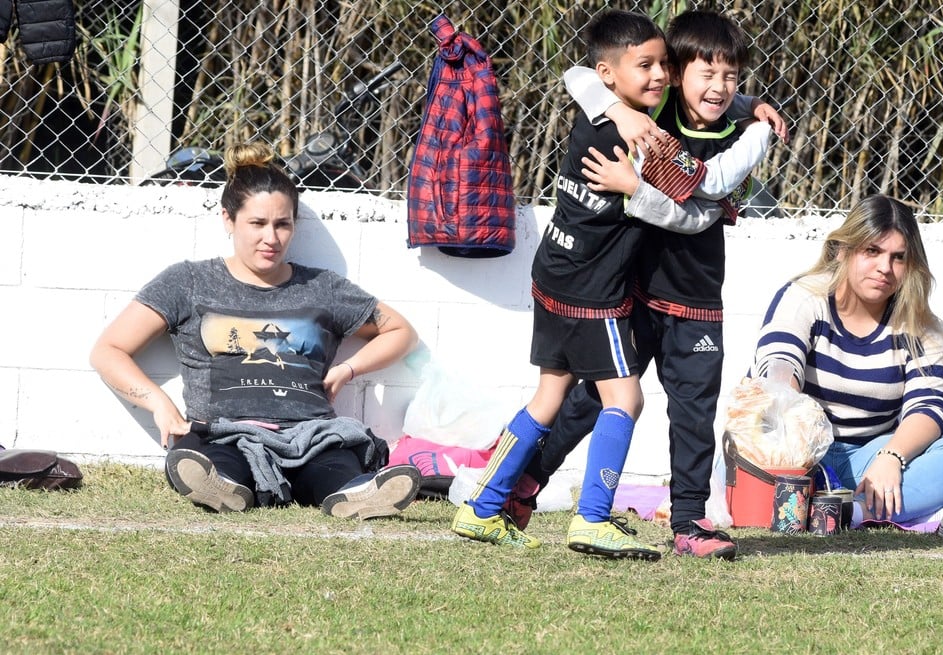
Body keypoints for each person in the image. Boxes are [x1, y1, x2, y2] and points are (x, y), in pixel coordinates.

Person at [503, 10, 785, 561]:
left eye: (731, 77)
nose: (720, 87)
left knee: (694, 411)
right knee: (589, 401)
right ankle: (523, 486)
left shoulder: (747, 136)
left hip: (696, 299)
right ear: (676, 75)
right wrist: (613, 108)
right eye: (705, 74)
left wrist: (637, 188)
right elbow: (581, 75)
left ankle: (688, 522)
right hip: (627, 293)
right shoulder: (651, 108)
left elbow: (703, 209)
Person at [450, 9, 731, 560]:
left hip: (551, 275)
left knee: (549, 396)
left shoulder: (597, 113)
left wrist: (615, 105)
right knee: (624, 399)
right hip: (593, 293)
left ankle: (482, 507)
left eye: (663, 66)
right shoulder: (641, 139)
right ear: (609, 73)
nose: (659, 77)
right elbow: (697, 201)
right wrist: (718, 192)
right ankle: (593, 518)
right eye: (644, 66)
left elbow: (576, 75)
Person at [89, 142, 422, 519]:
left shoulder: (323, 288)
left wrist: (346, 370)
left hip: (309, 434)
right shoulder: (188, 282)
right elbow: (109, 349)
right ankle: (221, 488)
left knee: (335, 463)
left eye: (283, 224)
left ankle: (356, 494)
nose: (272, 238)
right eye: (257, 224)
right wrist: (159, 404)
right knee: (215, 461)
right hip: (223, 432)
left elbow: (400, 332)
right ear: (228, 219)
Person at [750, 195, 943, 526]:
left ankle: (849, 513)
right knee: (728, 466)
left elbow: (928, 408)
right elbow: (778, 366)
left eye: (898, 257)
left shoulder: (921, 326)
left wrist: (891, 456)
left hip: (869, 460)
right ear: (844, 251)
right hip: (795, 449)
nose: (884, 268)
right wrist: (791, 447)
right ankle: (803, 501)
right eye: (872, 252)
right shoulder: (805, 296)